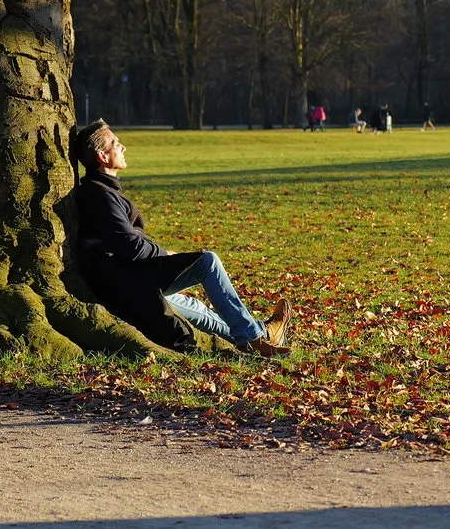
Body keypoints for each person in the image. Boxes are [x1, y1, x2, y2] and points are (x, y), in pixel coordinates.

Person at [70, 120, 292, 356]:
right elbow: (131, 246)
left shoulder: (102, 191)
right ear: (103, 156)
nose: (123, 147)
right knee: (208, 263)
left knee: (191, 306)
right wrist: (166, 254)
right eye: (116, 143)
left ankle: (262, 334)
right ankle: (252, 339)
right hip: (128, 280)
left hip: (132, 280)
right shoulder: (99, 196)